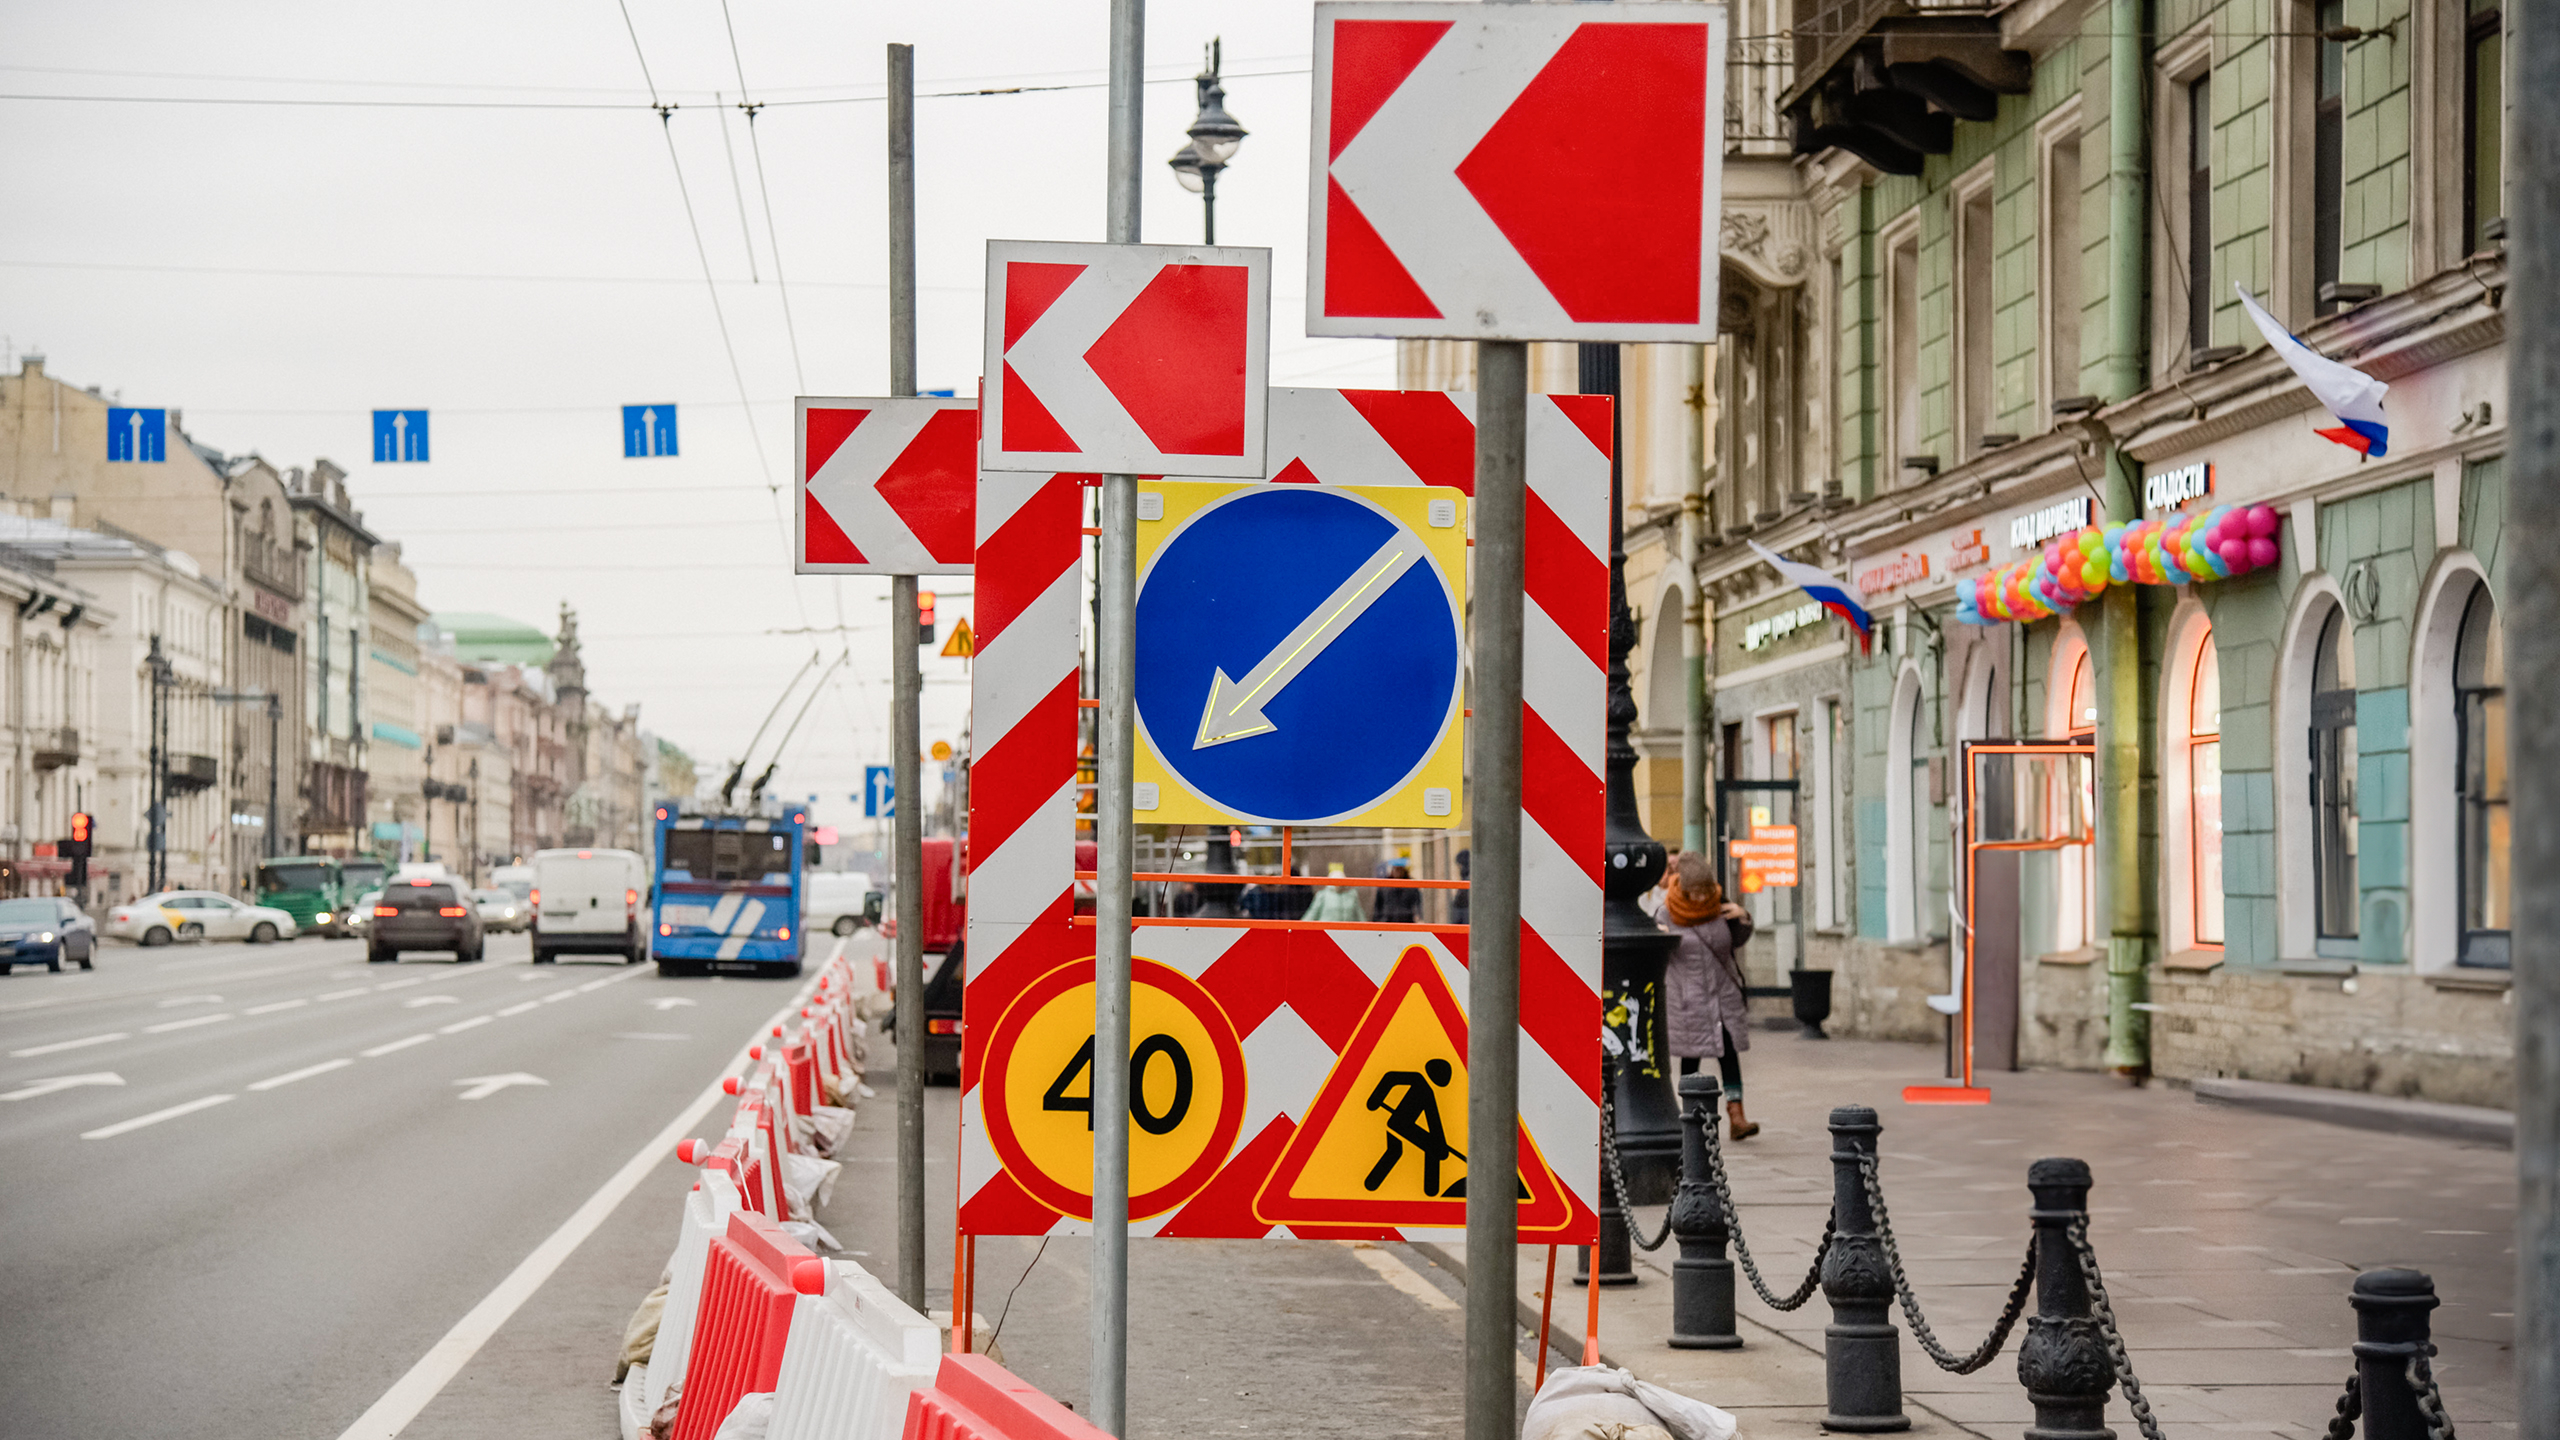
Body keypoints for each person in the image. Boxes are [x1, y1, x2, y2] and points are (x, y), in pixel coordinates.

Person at [1660, 851, 1760, 1140]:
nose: (1703, 898)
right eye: (1696, 892)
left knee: (1729, 1053)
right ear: (1684, 889)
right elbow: (1662, 954)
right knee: (1691, 1058)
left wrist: (1744, 918)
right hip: (1688, 999)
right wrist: (1658, 934)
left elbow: (1735, 942)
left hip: (1722, 995)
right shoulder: (1667, 912)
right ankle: (1691, 1117)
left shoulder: (1721, 906)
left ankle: (1736, 1114)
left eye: (1706, 891)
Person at [1371, 858, 1421, 924]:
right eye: (1396, 869)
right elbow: (1378, 906)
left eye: (1400, 869)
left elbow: (1418, 904)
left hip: (1406, 922)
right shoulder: (1384, 886)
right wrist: (1376, 921)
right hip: (1387, 922)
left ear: (1404, 870)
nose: (1398, 872)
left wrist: (1418, 917)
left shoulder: (1411, 886)